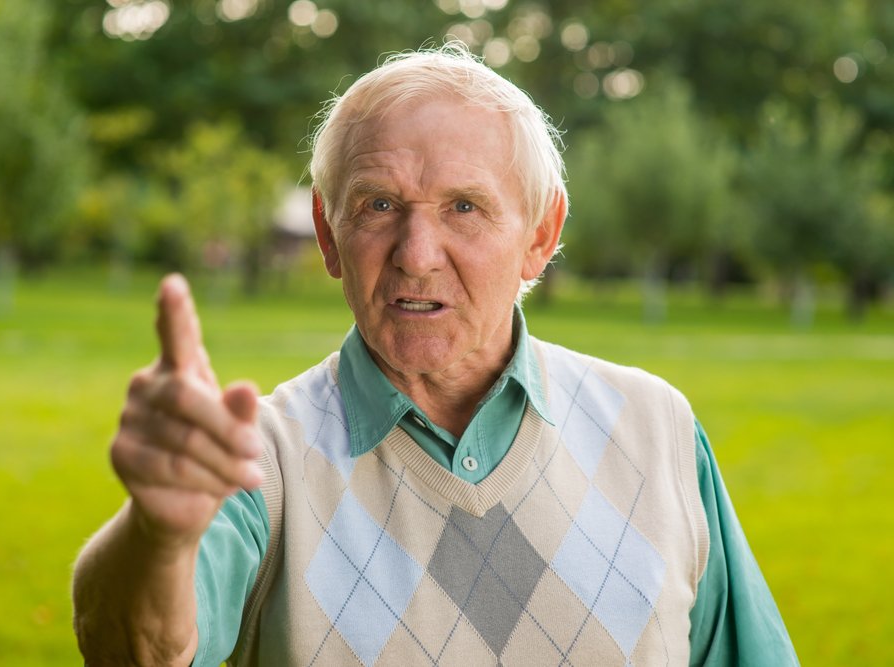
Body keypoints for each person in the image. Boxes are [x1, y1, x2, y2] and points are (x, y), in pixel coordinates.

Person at [72, 44, 798, 666]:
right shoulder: (257, 458)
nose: (417, 257)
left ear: (540, 237)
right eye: (379, 205)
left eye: (465, 208)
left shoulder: (656, 426)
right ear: (328, 236)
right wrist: (159, 534)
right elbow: (133, 647)